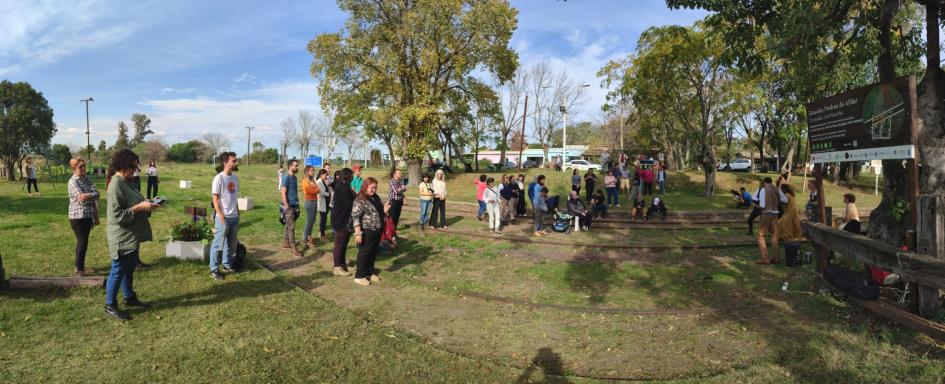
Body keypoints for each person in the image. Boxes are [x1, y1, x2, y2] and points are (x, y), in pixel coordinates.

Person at [104, 149, 159, 320]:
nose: (136, 170)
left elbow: (134, 200)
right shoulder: (115, 185)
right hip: (121, 237)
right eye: (134, 166)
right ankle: (110, 304)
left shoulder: (127, 182)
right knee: (118, 270)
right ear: (123, 166)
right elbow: (118, 216)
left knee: (129, 269)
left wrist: (147, 204)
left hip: (131, 236)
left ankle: (129, 298)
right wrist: (139, 208)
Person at [352, 177, 390, 286]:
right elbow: (355, 217)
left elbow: (379, 212)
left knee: (373, 252)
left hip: (377, 230)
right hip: (367, 230)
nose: (374, 190)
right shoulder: (360, 199)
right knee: (365, 252)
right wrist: (358, 233)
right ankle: (359, 276)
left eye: (375, 187)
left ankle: (369, 272)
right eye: (372, 187)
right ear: (365, 187)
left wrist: (385, 210)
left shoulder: (375, 197)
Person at [209, 152, 240, 280]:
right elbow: (215, 199)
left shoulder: (235, 178)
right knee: (217, 244)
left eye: (235, 160)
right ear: (225, 162)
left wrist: (238, 212)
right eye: (233, 161)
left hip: (234, 216)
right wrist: (220, 215)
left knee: (231, 244)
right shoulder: (219, 178)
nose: (235, 163)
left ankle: (227, 265)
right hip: (223, 217)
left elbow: (234, 197)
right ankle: (214, 270)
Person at [67, 158, 100, 276]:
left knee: (84, 241)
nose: (83, 168)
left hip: (87, 215)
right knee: (82, 241)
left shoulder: (86, 179)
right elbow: (81, 197)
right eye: (80, 167)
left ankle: (81, 267)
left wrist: (89, 195)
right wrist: (91, 195)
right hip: (77, 217)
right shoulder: (73, 181)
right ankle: (79, 269)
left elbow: (97, 193)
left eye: (84, 166)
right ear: (74, 168)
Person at [755, 177, 788, 265]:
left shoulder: (763, 190)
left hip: (766, 214)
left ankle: (765, 258)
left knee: (760, 235)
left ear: (765, 183)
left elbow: (762, 205)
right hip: (775, 214)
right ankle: (776, 257)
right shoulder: (777, 189)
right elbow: (785, 200)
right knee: (774, 236)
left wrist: (755, 206)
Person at [330, 168, 355, 276]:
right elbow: (349, 204)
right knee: (339, 244)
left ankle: (342, 264)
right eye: (351, 175)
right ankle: (336, 267)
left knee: (344, 243)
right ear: (347, 176)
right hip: (340, 220)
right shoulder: (341, 188)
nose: (352, 177)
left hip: (347, 220)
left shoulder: (347, 187)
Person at [281, 159, 302, 257]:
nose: (297, 167)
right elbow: (283, 193)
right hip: (289, 206)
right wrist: (287, 206)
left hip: (295, 205)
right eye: (296, 166)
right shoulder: (286, 177)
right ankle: (293, 248)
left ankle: (286, 242)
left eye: (297, 166)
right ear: (290, 166)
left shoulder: (295, 177)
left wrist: (297, 203)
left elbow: (294, 191)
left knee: (288, 224)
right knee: (291, 227)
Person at [301, 166, 321, 247]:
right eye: (311, 170)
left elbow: (317, 189)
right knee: (309, 221)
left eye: (313, 170)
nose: (313, 172)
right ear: (307, 172)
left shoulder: (313, 180)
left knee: (312, 220)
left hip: (315, 201)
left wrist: (316, 190)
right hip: (309, 202)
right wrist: (317, 190)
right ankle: (305, 239)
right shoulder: (305, 181)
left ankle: (309, 236)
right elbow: (312, 191)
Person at [316, 169, 332, 240]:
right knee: (323, 219)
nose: (326, 176)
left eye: (327, 175)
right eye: (325, 175)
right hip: (322, 203)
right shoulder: (318, 182)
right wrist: (328, 194)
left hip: (326, 202)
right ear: (321, 175)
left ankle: (323, 233)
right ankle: (322, 235)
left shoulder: (323, 181)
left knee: (324, 219)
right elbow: (320, 192)